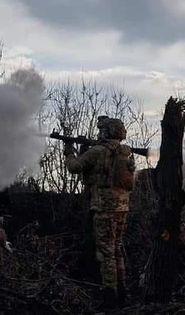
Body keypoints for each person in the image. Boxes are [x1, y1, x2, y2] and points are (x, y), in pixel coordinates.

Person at [64, 116, 135, 308]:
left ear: (106, 132)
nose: (98, 133)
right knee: (117, 250)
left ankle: (109, 298)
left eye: (101, 130)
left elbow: (74, 167)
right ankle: (122, 294)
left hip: (104, 208)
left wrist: (68, 149)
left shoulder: (98, 151)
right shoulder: (124, 153)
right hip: (122, 207)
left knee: (106, 253)